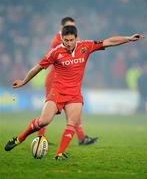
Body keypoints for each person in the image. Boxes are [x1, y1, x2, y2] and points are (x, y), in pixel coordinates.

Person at [5, 25, 144, 160]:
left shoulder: (85, 46)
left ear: (76, 38)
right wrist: (24, 81)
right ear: (62, 40)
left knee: (72, 123)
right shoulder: (55, 52)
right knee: (43, 121)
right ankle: (19, 139)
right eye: (66, 40)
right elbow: (37, 68)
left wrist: (128, 38)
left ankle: (59, 154)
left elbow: (109, 41)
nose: (69, 43)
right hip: (57, 92)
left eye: (72, 40)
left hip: (74, 95)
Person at [37, 17, 98, 145]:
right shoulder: (58, 42)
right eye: (69, 27)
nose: (72, 30)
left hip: (66, 81)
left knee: (73, 111)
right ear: (62, 28)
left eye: (73, 27)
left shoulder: (70, 40)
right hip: (55, 80)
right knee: (48, 113)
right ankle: (40, 137)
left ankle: (81, 137)